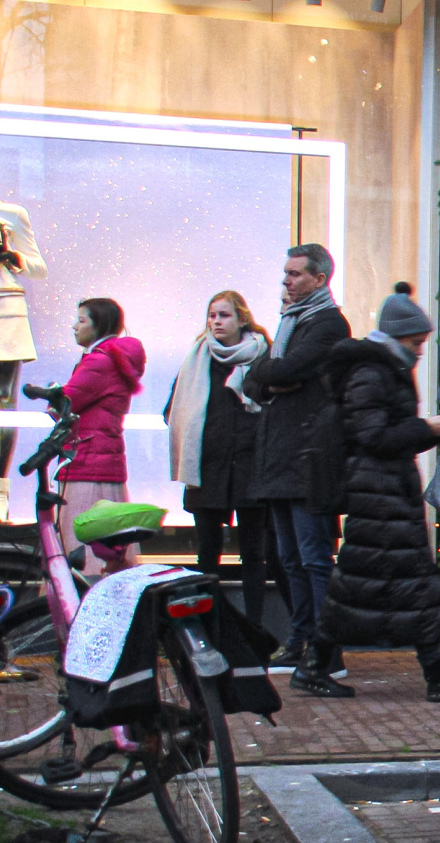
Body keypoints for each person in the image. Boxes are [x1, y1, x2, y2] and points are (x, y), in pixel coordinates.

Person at [322, 289, 440, 703]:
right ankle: (437, 675)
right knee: (415, 585)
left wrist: (426, 429)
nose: (420, 349)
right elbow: (372, 435)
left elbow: (378, 433)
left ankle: (313, 664)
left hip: (382, 493)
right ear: (396, 337)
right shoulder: (374, 371)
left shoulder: (380, 367)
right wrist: (427, 429)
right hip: (381, 494)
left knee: (357, 582)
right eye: (415, 341)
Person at [244, 244, 353, 685]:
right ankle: (301, 637)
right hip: (279, 455)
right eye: (285, 273)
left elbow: (285, 368)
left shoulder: (327, 323)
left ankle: (327, 649)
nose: (285, 281)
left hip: (308, 456)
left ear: (318, 278)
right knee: (288, 558)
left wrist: (273, 374)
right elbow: (257, 379)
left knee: (313, 557)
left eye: (294, 274)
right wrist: (273, 376)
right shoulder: (290, 322)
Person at [167, 291, 274, 623]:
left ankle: (254, 629)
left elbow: (271, 407)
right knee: (207, 554)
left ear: (241, 318)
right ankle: (209, 629)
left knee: (254, 554)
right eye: (212, 315)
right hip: (207, 467)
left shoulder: (261, 356)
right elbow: (172, 409)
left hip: (250, 466)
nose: (216, 322)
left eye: (224, 315)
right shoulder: (197, 358)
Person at [0, 147, 47, 522]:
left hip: (4, 308)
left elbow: (37, 266)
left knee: (5, 403)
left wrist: (11, 256)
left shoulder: (11, 214)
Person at [57, 298, 145, 571]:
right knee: (110, 550)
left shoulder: (100, 361)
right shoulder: (111, 358)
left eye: (81, 321)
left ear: (99, 326)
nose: (74, 326)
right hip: (102, 462)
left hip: (87, 463)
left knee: (84, 550)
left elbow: (64, 402)